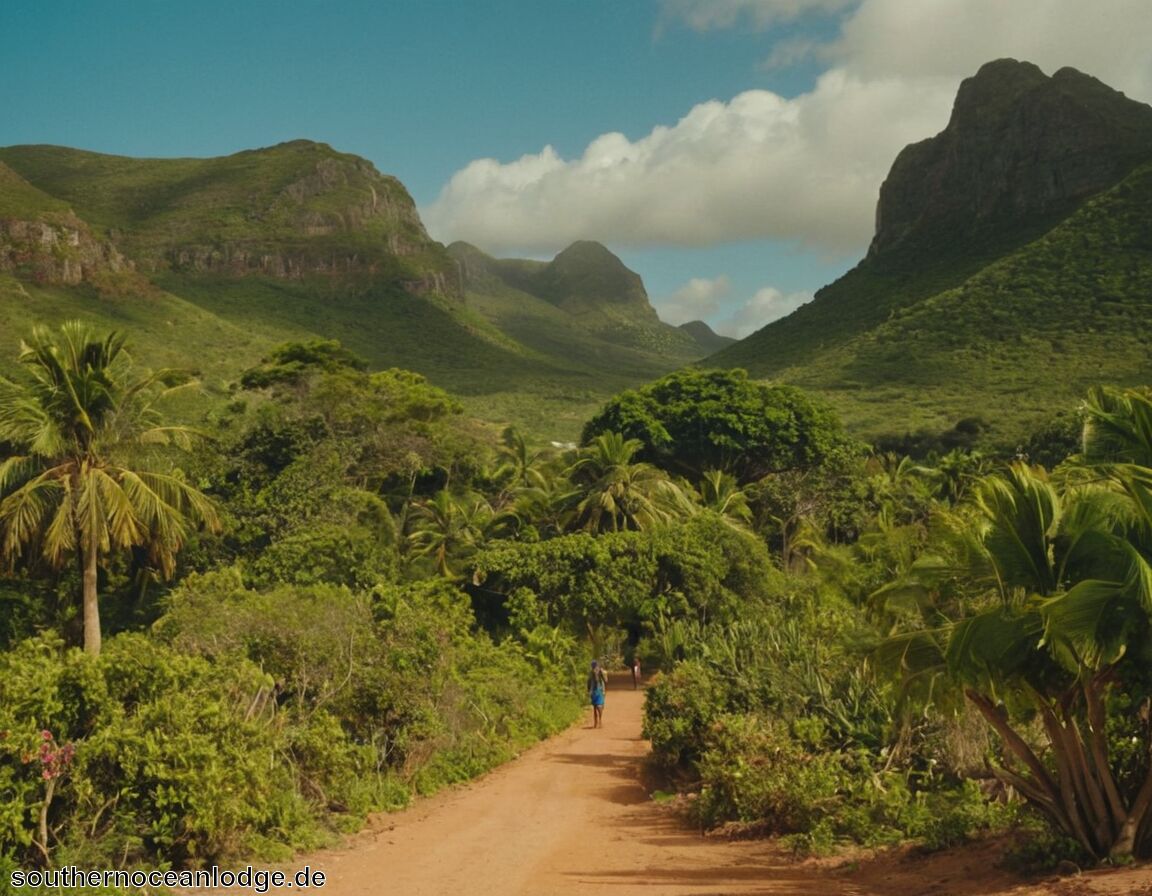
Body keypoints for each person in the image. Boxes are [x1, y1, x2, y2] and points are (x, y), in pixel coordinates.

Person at [587, 660, 607, 728]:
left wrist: (603, 673)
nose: (596, 669)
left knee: (599, 706)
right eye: (594, 667)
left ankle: (600, 720)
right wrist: (589, 691)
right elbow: (589, 683)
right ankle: (596, 722)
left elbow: (606, 680)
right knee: (595, 707)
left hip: (600, 690)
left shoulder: (601, 672)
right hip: (594, 692)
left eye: (597, 667)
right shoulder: (591, 674)